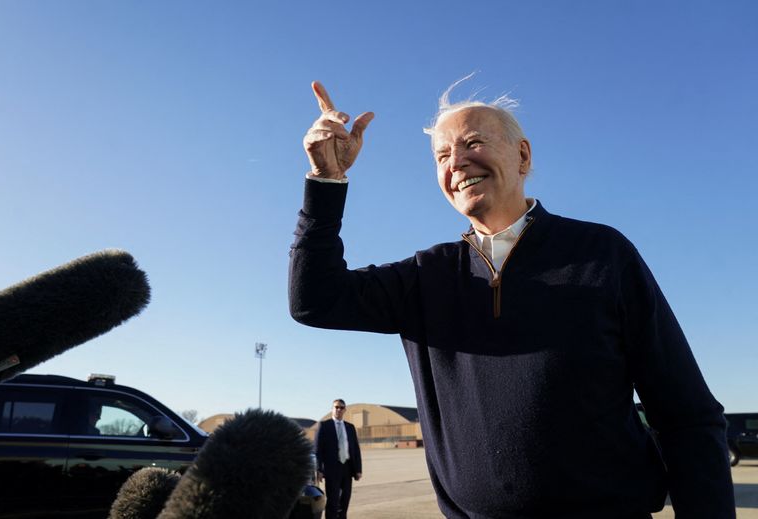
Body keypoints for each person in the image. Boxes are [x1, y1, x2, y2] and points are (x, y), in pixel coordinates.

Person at [289, 80, 736, 518]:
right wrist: (326, 182)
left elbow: (686, 414)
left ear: (522, 155)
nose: (457, 163)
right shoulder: (426, 276)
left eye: (473, 143)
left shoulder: (602, 254)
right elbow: (315, 300)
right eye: (442, 156)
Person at [315, 399, 362, 519]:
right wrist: (319, 469)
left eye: (341, 408)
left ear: (345, 410)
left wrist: (358, 469)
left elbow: (356, 449)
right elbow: (318, 450)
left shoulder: (350, 427)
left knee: (345, 501)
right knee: (333, 501)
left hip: (347, 468)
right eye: (336, 407)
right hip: (332, 469)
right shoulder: (324, 426)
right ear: (332, 409)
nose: (338, 410)